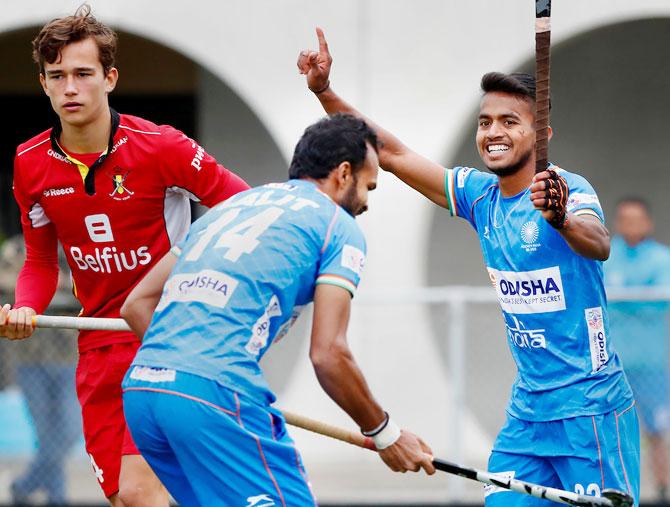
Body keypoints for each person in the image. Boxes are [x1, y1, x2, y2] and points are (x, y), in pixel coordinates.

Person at [297, 28, 640, 506]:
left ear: (541, 133)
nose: (493, 132)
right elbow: (391, 153)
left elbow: (598, 243)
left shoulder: (567, 188)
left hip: (592, 411)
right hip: (528, 414)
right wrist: (324, 92)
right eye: (485, 122)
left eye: (508, 121)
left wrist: (560, 218)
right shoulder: (479, 196)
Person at [0, 6, 249, 507]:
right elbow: (40, 263)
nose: (70, 88)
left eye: (83, 74)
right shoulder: (29, 164)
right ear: (44, 84)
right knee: (125, 497)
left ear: (110, 78)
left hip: (166, 340)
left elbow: (247, 213)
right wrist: (25, 306)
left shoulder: (162, 147)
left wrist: (207, 284)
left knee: (140, 494)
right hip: (97, 347)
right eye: (57, 76)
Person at [120, 113, 436, 507]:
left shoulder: (229, 208)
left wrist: (182, 374)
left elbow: (137, 304)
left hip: (143, 392)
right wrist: (386, 434)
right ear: (342, 173)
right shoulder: (337, 226)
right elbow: (329, 355)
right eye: (368, 186)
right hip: (213, 394)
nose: (367, 202)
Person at [0, 236, 81, 505]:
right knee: (46, 432)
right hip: (30, 357)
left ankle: (24, 485)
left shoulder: (76, 243)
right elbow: (7, 284)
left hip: (67, 355)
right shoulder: (17, 248)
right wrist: (44, 283)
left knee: (69, 429)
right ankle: (57, 498)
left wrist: (50, 286)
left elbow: (86, 287)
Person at [605, 197, 670, 501]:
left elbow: (658, 297)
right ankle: (616, 491)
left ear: (647, 223)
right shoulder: (606, 255)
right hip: (612, 365)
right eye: (625, 219)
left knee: (657, 432)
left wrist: (623, 297)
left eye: (637, 219)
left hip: (650, 364)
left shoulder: (661, 258)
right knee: (611, 434)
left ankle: (663, 490)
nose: (631, 225)